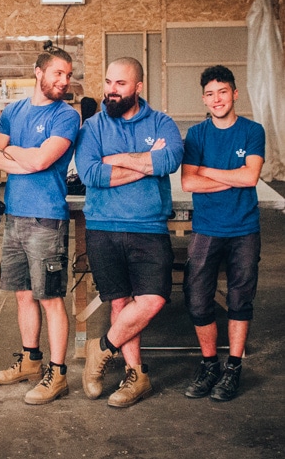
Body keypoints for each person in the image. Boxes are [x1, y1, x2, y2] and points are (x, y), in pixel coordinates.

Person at [75, 57, 184, 408]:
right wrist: (142, 163)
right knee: (119, 301)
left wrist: (116, 159)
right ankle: (135, 374)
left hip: (148, 226)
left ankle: (101, 347)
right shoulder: (92, 127)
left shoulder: (162, 122)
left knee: (152, 298)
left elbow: (169, 162)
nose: (111, 90)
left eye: (120, 84)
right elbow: (91, 173)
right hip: (102, 226)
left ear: (138, 86)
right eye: (108, 82)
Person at [0, 47, 80, 405]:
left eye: (68, 75)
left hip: (46, 218)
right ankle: (30, 361)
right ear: (38, 73)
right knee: (23, 294)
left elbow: (43, 159)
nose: (64, 81)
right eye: (58, 73)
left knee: (50, 298)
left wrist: (17, 154)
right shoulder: (14, 111)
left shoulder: (67, 116)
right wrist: (28, 157)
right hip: (15, 216)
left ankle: (57, 375)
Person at [181, 65, 265, 402]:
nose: (217, 99)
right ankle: (209, 363)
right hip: (206, 229)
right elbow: (188, 182)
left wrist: (209, 171)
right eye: (211, 94)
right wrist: (234, 174)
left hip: (244, 228)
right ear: (204, 98)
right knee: (198, 299)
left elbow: (251, 178)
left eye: (223, 92)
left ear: (235, 94)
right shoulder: (197, 135)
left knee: (239, 299)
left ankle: (233, 368)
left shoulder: (252, 130)